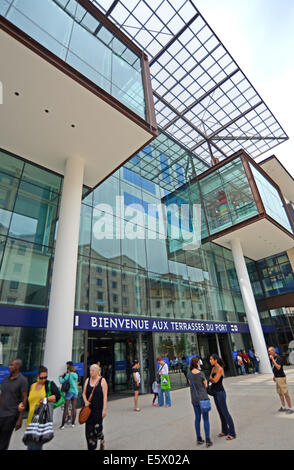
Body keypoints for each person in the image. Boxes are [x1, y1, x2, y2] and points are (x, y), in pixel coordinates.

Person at [24, 365, 60, 450]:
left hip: (41, 423)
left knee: (35, 446)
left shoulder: (48, 385)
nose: (44, 379)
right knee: (31, 446)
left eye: (45, 377)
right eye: (41, 377)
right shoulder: (32, 386)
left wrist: (46, 399)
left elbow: (57, 396)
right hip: (30, 422)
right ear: (37, 376)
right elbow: (29, 403)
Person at [0, 359, 28, 450]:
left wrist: (20, 419)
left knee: (4, 440)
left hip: (11, 415)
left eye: (12, 365)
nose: (9, 367)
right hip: (1, 413)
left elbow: (24, 398)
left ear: (18, 367)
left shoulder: (22, 380)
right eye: (10, 365)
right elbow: (2, 395)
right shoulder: (5, 380)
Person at [209, 354, 236, 441]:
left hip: (220, 393)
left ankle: (232, 433)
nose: (210, 361)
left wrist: (211, 379)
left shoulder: (220, 369)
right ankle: (224, 430)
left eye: (211, 359)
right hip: (215, 393)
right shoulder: (213, 368)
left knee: (225, 412)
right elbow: (211, 378)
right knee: (220, 412)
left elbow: (215, 380)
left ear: (215, 360)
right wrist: (212, 379)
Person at [187, 357, 212, 448]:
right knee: (206, 419)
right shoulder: (201, 373)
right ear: (197, 363)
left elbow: (190, 384)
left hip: (194, 398)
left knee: (197, 418)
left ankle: (199, 438)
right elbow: (206, 385)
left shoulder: (189, 374)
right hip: (203, 397)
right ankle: (208, 440)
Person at [82, 364, 108, 451]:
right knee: (89, 430)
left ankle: (102, 439)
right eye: (90, 370)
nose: (91, 372)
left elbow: (105, 397)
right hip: (89, 410)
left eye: (92, 371)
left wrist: (104, 410)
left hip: (98, 409)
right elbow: (83, 393)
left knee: (97, 429)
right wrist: (85, 401)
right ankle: (91, 447)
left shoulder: (102, 381)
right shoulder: (87, 380)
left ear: (97, 371)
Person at [268, 346, 294, 414]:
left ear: (273, 351)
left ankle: (290, 408)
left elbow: (279, 367)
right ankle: (283, 407)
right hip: (277, 377)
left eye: (270, 351)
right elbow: (275, 368)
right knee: (280, 393)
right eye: (268, 351)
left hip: (281, 378)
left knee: (285, 393)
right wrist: (274, 376)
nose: (269, 353)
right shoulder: (274, 358)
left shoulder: (279, 358)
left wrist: (273, 360)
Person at [59, 363, 79, 429]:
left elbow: (62, 381)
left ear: (69, 370)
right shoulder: (76, 375)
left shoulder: (69, 374)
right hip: (75, 392)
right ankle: (73, 423)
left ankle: (62, 425)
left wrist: (60, 377)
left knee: (66, 408)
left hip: (69, 392)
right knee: (74, 408)